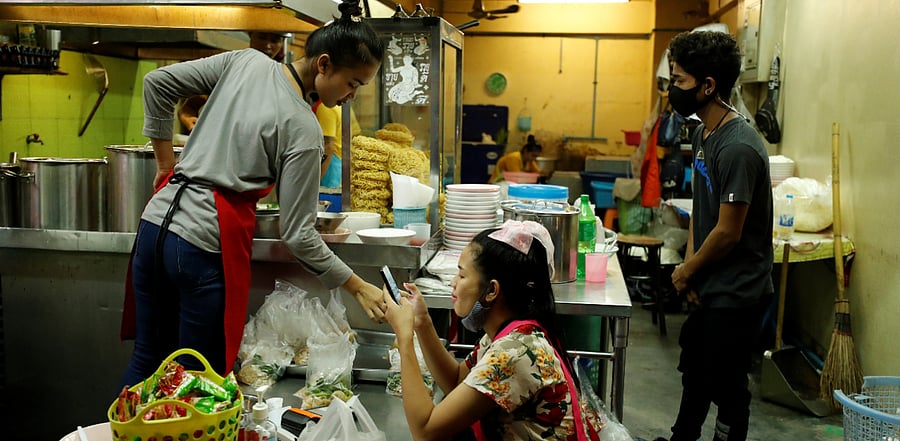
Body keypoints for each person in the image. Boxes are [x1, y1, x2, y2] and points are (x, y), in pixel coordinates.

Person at [118, 0, 388, 388]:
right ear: (324, 64)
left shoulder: (245, 61)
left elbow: (157, 84)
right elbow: (299, 235)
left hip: (154, 226)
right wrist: (355, 284)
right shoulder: (303, 128)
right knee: (200, 377)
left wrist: (165, 163)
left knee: (148, 360)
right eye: (353, 84)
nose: (352, 97)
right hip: (200, 244)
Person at [652, 31, 773, 441]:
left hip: (738, 289)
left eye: (680, 81)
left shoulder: (739, 147)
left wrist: (687, 272)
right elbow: (700, 214)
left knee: (726, 383)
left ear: (708, 86)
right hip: (709, 279)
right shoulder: (702, 132)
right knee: (695, 371)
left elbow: (727, 233)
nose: (673, 90)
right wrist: (690, 270)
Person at [384, 220, 601, 440]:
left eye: (461, 275)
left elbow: (425, 430)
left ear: (492, 290)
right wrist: (422, 322)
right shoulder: (508, 332)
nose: (452, 282)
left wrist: (404, 336)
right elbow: (458, 382)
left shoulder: (515, 351)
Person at [314, 100, 360, 187]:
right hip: (342, 163)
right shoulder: (344, 106)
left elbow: (328, 145)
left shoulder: (326, 108)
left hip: (330, 165)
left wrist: (317, 179)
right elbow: (355, 133)